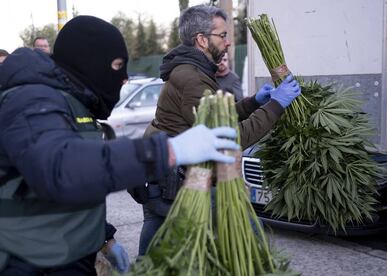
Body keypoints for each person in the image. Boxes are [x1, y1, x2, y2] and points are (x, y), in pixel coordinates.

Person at [0, 15, 239, 275]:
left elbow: (80, 183)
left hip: (67, 256)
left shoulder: (71, 103)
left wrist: (104, 238)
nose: (124, 78)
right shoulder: (31, 100)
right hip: (27, 262)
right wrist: (166, 151)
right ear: (89, 62)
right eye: (116, 65)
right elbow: (60, 167)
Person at [133, 4, 301, 256]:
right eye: (223, 35)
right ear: (201, 40)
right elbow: (227, 138)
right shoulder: (192, 78)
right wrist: (277, 105)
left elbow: (210, 117)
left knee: (154, 248)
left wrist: (254, 102)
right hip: (173, 183)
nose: (228, 42)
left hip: (159, 177)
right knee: (248, 232)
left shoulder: (189, 70)